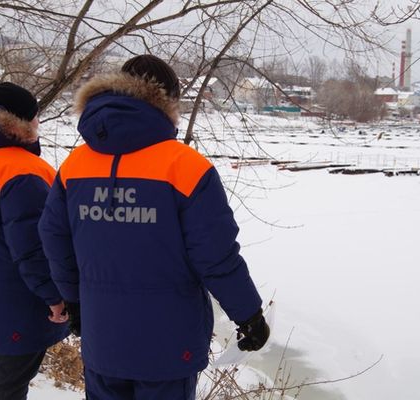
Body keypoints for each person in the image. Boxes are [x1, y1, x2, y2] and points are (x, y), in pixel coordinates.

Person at [38, 55, 270, 400]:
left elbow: (53, 236)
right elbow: (215, 256)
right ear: (168, 101)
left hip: (104, 338)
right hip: (168, 345)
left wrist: (75, 301)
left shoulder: (76, 165)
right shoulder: (185, 167)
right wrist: (248, 314)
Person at [0, 82, 69, 400]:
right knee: (12, 379)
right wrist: (54, 296)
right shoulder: (22, 170)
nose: (39, 123)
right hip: (21, 297)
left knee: (5, 368)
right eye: (35, 117)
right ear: (18, 122)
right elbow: (33, 246)